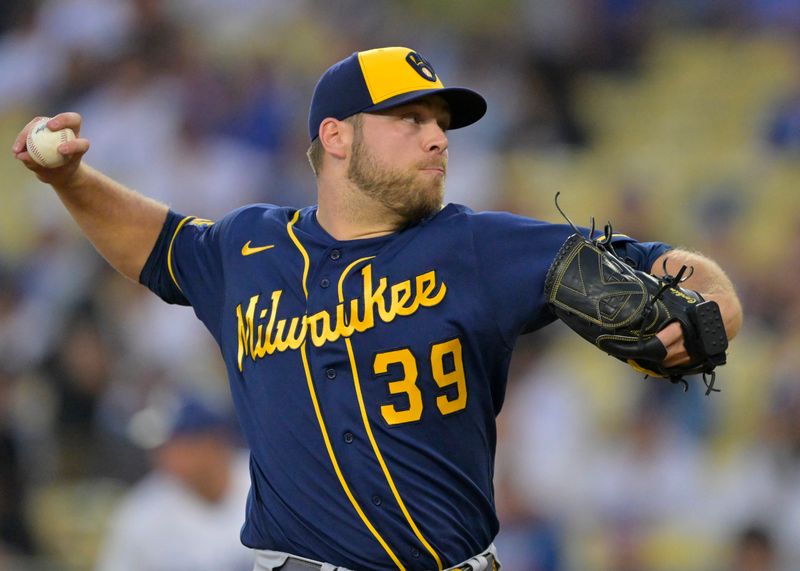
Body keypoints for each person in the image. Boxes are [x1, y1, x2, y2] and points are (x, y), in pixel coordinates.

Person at [12, 46, 743, 571]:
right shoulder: (248, 248)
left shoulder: (477, 245)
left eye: (441, 123)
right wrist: (71, 180)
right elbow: (156, 241)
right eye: (409, 118)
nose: (436, 137)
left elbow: (655, 262)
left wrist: (719, 302)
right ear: (336, 135)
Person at [95, 396, 254, 571]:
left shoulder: (267, 482)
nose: (167, 457)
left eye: (182, 445)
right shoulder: (141, 512)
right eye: (162, 447)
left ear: (215, 442)